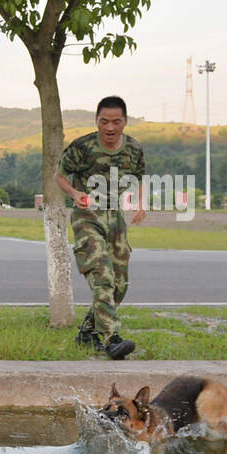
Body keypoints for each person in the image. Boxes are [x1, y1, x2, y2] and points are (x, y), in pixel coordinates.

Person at [56, 95, 146, 360]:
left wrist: (140, 204)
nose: (110, 128)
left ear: (125, 122)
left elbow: (139, 176)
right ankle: (111, 339)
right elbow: (59, 175)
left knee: (120, 284)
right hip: (87, 216)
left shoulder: (133, 148)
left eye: (116, 122)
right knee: (102, 276)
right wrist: (73, 193)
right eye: (104, 121)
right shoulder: (82, 147)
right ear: (96, 121)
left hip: (114, 217)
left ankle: (87, 332)